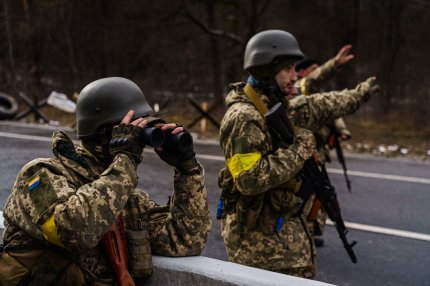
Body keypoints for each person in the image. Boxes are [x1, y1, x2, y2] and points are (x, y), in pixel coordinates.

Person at [0, 77, 212, 285]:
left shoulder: (126, 198)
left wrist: (187, 169)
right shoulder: (41, 174)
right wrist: (125, 160)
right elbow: (72, 231)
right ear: (104, 132)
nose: (139, 138)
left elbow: (184, 241)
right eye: (132, 128)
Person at [217, 30, 379, 278]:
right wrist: (301, 149)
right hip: (262, 250)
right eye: (288, 69)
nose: (295, 77)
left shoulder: (280, 106)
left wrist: (360, 93)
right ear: (266, 70)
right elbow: (249, 179)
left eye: (295, 69)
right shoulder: (243, 117)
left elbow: (326, 103)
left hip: (283, 241)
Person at [294, 45, 355, 246]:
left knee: (320, 193)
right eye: (312, 69)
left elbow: (332, 112)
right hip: (304, 148)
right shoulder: (302, 86)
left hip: (317, 149)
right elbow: (315, 78)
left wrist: (342, 129)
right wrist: (334, 64)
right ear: (302, 72)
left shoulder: (314, 92)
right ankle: (303, 230)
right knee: (308, 193)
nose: (315, 73)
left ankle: (312, 231)